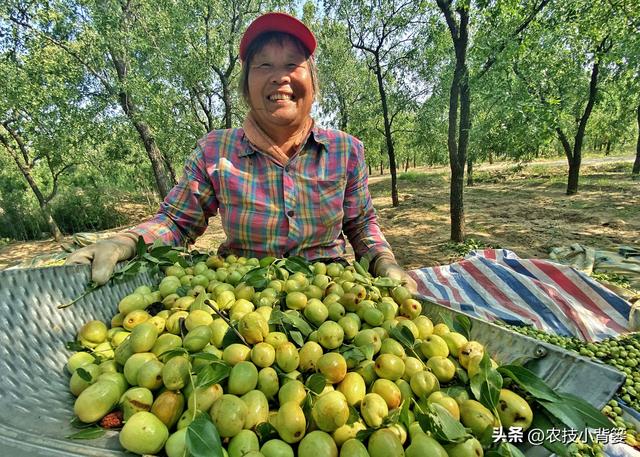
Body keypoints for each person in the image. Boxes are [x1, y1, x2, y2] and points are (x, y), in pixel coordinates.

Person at [66, 12, 417, 293]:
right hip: (238, 297)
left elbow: (360, 225)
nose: (279, 77)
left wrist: (384, 261)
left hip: (332, 295)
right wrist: (125, 241)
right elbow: (176, 222)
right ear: (246, 87)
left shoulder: (346, 151)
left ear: (312, 83)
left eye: (292, 64)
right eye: (264, 65)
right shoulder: (215, 151)